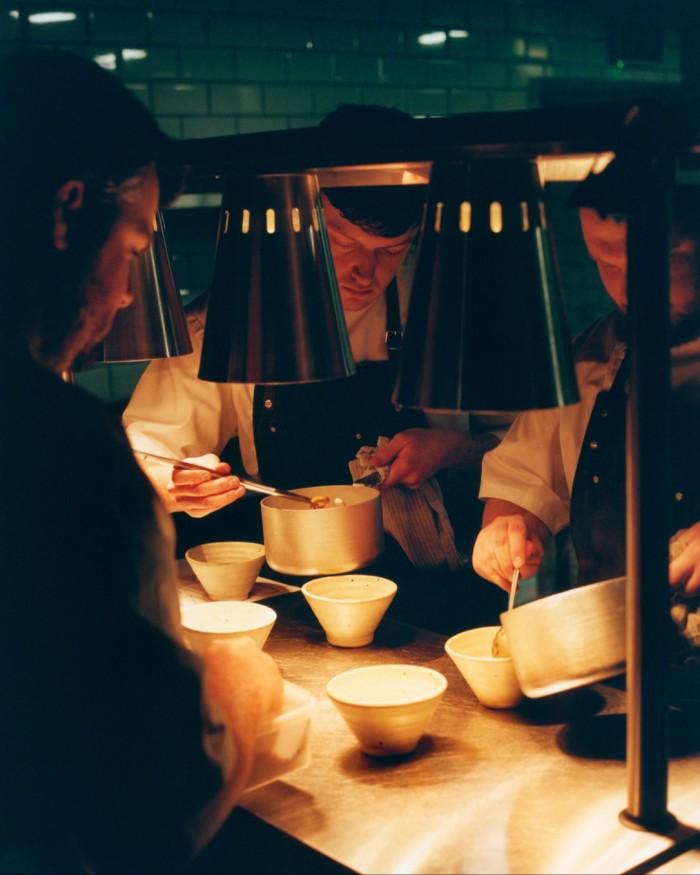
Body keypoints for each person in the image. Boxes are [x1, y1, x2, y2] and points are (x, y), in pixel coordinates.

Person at [0, 47, 284, 874]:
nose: (128, 293)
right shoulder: (63, 448)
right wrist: (237, 687)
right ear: (67, 213)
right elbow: (161, 810)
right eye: (133, 246)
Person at [123, 104, 511, 633]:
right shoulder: (234, 319)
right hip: (290, 601)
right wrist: (177, 484)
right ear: (302, 213)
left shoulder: (445, 305)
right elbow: (144, 459)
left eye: (391, 251)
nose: (363, 271)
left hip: (439, 600)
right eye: (344, 241)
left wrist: (452, 448)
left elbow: (525, 453)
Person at [472, 197, 700, 679]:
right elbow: (520, 480)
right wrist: (505, 532)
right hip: (614, 683)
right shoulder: (587, 360)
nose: (629, 287)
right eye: (607, 262)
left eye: (662, 260)